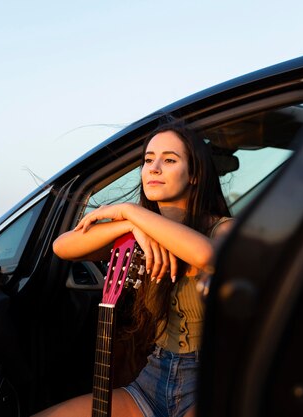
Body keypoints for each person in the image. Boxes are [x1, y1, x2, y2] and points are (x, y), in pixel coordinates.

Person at [36, 120, 232, 417]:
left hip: (212, 379)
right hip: (153, 378)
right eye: (148, 160)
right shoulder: (140, 234)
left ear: (194, 174)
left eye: (169, 160)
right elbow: (62, 247)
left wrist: (130, 210)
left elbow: (206, 256)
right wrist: (129, 225)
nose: (153, 168)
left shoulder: (223, 228)